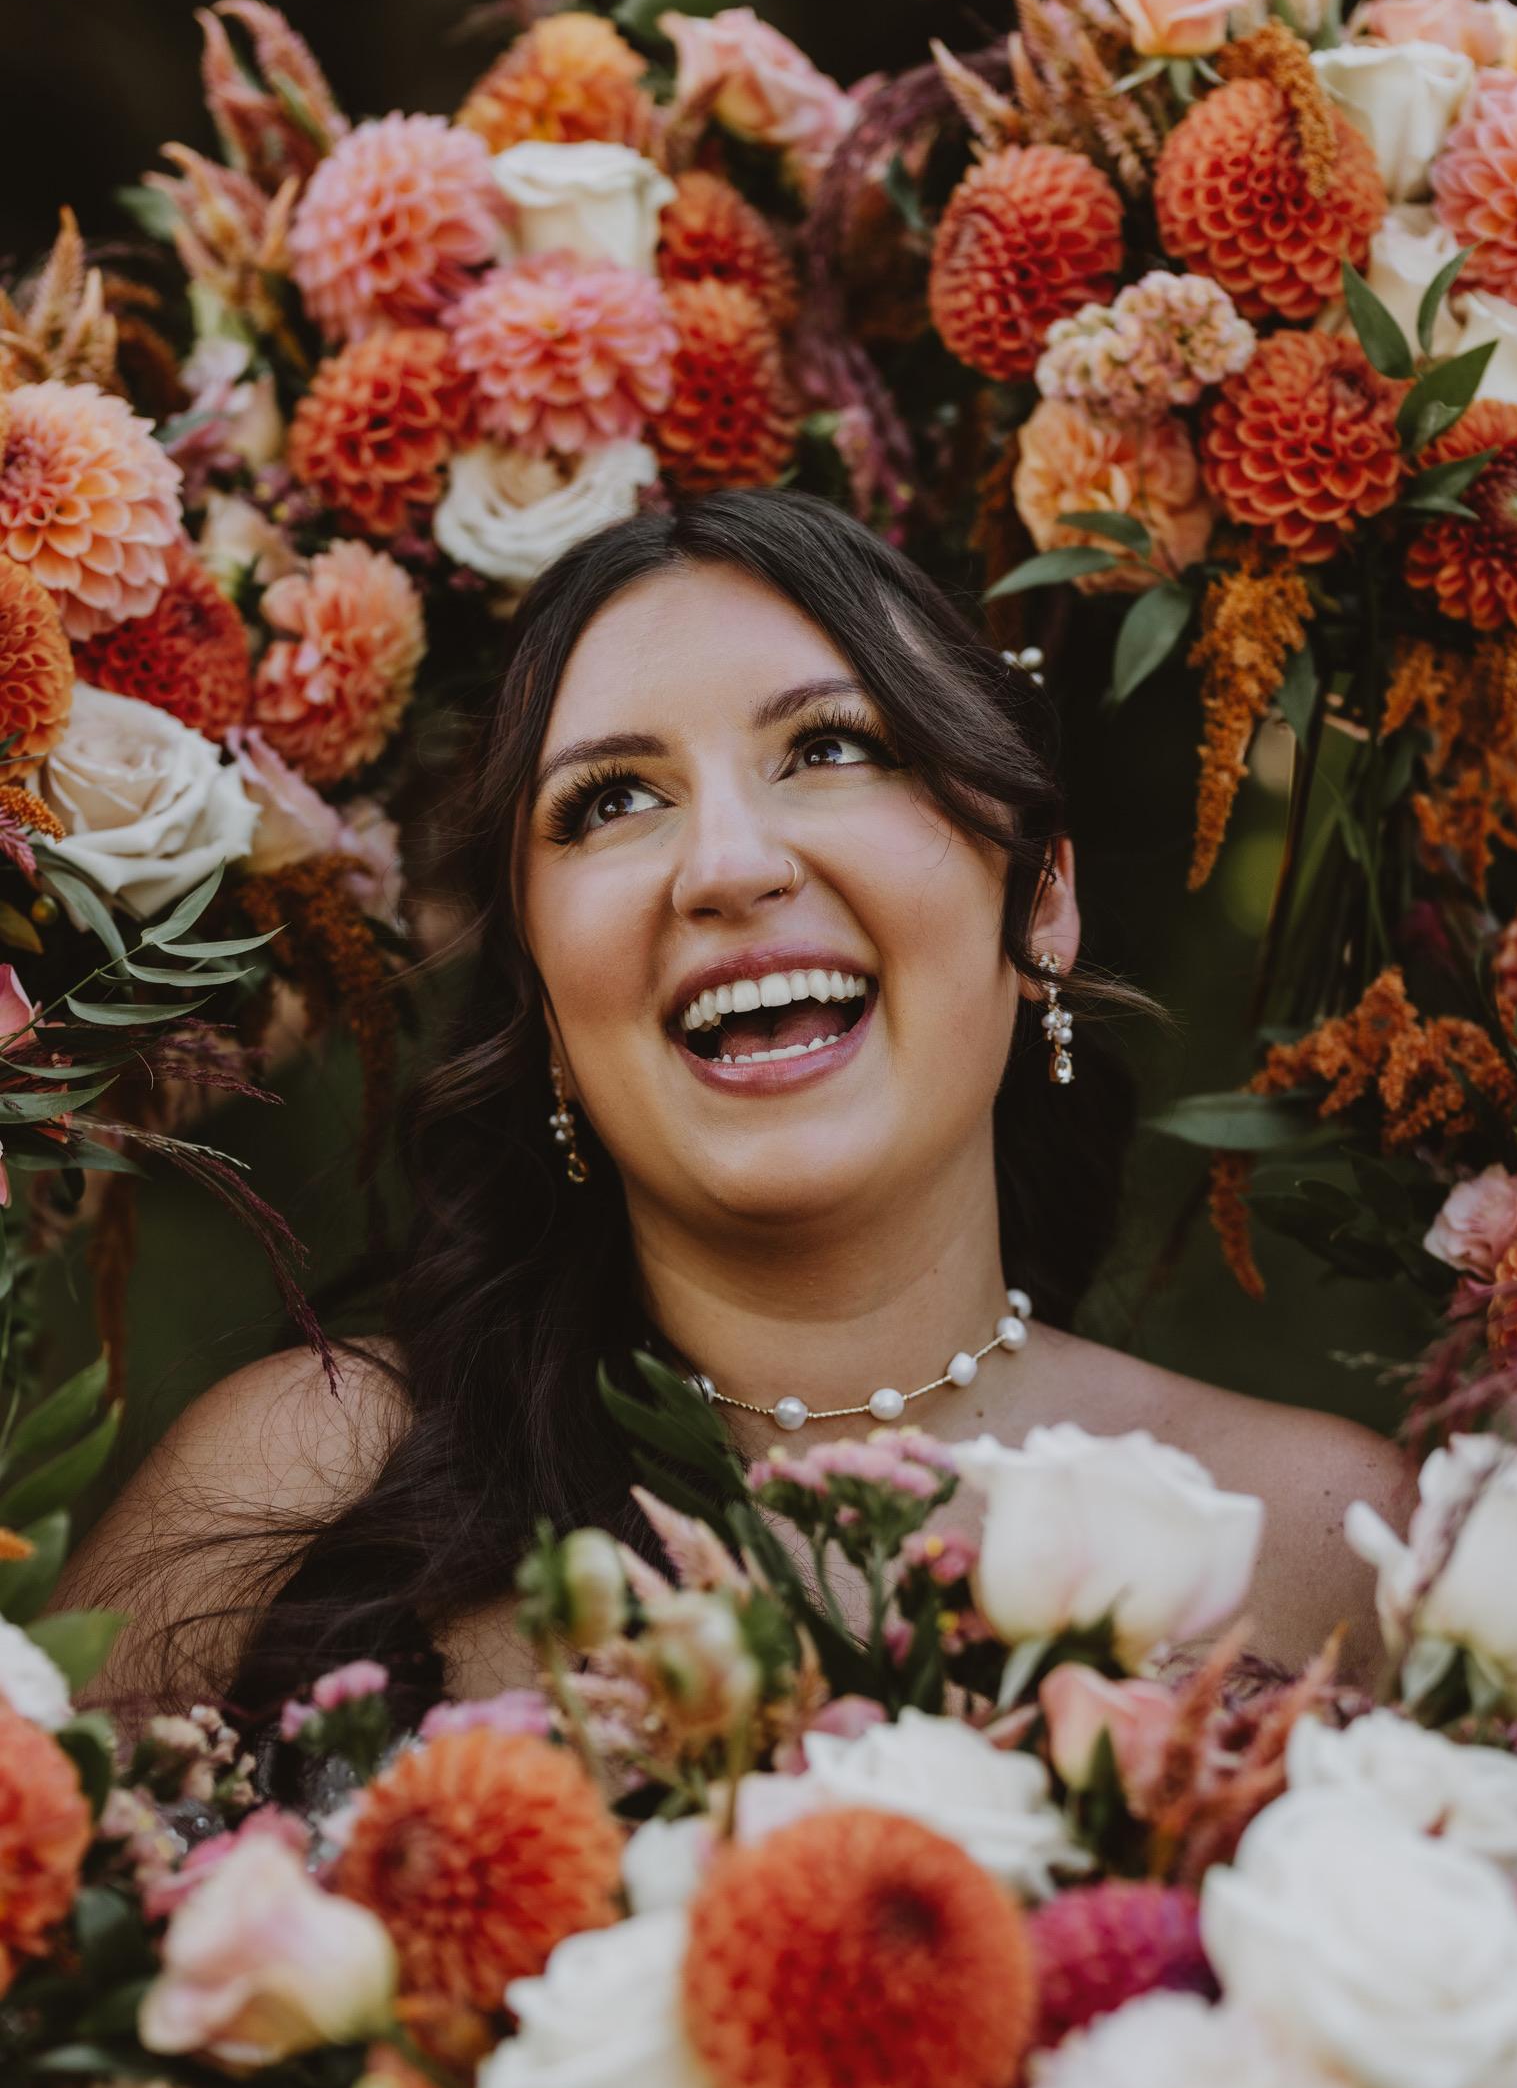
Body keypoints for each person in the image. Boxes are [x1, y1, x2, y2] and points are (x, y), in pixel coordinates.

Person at [67, 490, 1412, 1723]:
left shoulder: (1331, 1540)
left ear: (1042, 897)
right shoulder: (299, 1487)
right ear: (541, 996)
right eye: (610, 800)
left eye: (831, 746)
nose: (723, 865)